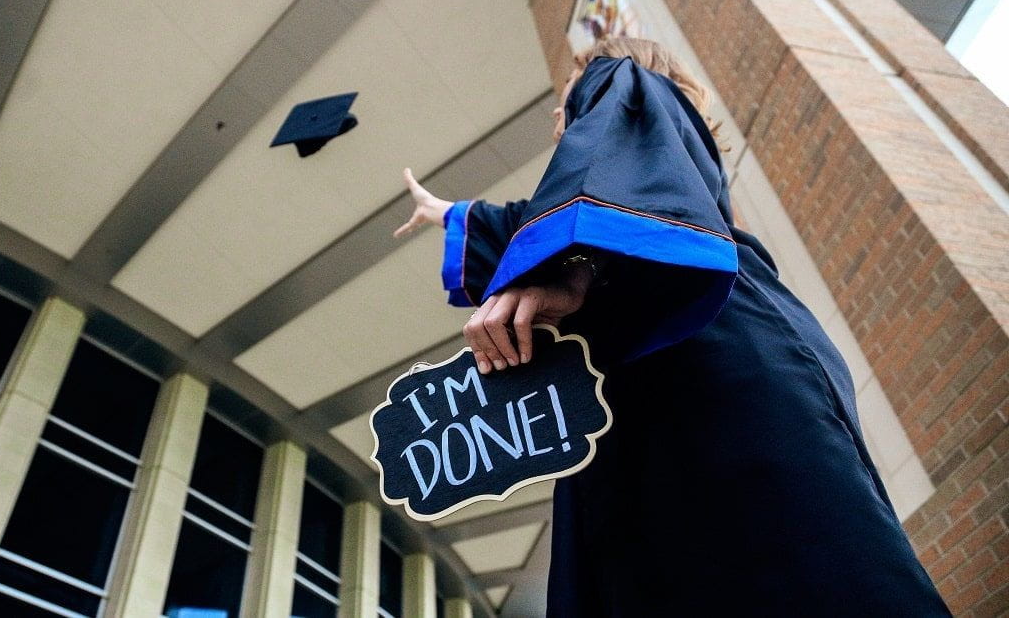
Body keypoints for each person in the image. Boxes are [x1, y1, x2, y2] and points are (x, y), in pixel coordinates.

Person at [394, 37, 950, 616]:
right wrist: (448, 213)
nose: (558, 117)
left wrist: (573, 263)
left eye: (564, 98)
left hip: (707, 348)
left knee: (782, 558)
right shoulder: (651, 160)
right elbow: (537, 216)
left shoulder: (621, 81)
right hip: (683, 357)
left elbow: (595, 192)